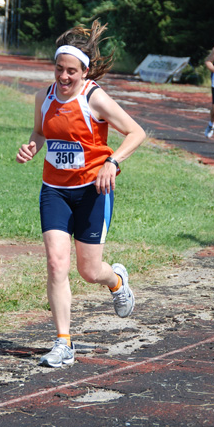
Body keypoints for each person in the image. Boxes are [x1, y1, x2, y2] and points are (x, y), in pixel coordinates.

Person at [16, 21, 146, 368]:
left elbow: (136, 132)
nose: (63, 77)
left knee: (89, 271)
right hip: (54, 191)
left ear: (84, 71)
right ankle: (63, 343)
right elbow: (40, 131)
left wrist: (112, 162)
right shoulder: (43, 96)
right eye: (59, 69)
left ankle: (116, 281)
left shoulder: (94, 97)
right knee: (57, 263)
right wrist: (33, 145)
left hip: (92, 190)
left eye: (71, 71)